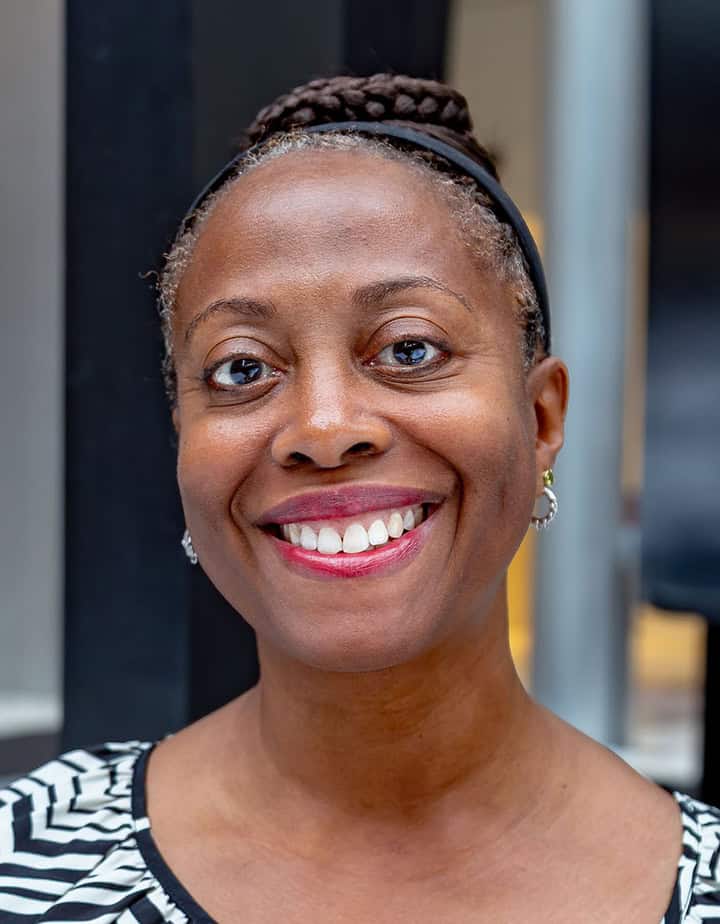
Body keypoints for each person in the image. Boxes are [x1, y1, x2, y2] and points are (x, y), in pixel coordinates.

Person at [1, 73, 718, 924]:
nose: (325, 426)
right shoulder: (25, 859)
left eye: (409, 350)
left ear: (540, 416)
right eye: (242, 369)